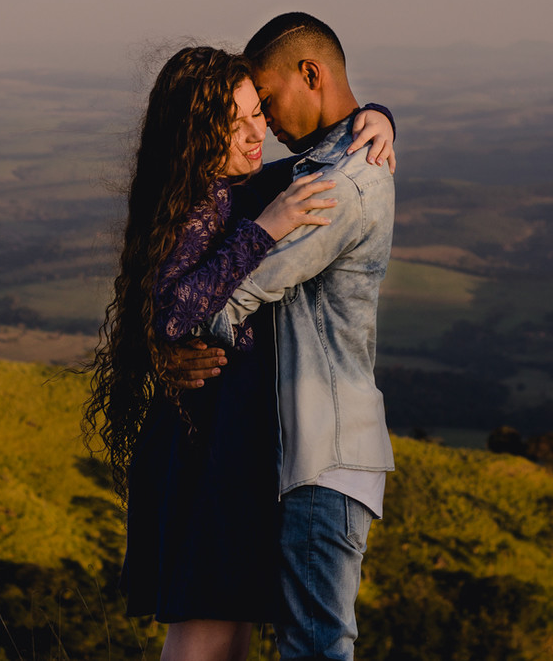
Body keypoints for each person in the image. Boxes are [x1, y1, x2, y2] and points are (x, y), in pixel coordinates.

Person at [82, 45, 395, 661]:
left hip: (240, 442)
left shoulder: (247, 185)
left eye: (259, 113)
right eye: (236, 123)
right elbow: (172, 312)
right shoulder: (198, 202)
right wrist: (264, 231)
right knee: (206, 629)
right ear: (197, 135)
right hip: (205, 442)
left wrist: (379, 116)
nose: (258, 135)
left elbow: (337, 158)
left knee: (234, 630)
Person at [183, 12, 396, 660]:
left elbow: (235, 296)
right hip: (306, 450)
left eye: (267, 102)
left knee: (315, 647)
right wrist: (383, 112)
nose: (265, 124)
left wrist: (175, 336)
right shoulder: (330, 162)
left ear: (311, 74)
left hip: (322, 454)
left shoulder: (336, 184)